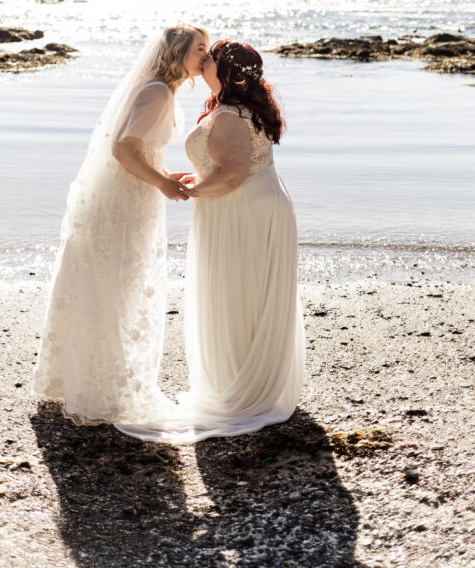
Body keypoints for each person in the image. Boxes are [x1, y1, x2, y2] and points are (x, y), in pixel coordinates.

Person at [118, 39, 305, 442]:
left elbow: (234, 173)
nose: (202, 62)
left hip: (243, 210)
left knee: (238, 292)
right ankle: (242, 376)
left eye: (210, 59)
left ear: (226, 71)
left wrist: (191, 192)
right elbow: (227, 164)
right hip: (249, 204)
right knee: (243, 293)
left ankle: (243, 385)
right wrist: (196, 176)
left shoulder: (229, 116)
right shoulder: (232, 109)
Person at [31, 24, 209, 426]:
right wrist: (162, 182)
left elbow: (142, 148)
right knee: (116, 286)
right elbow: (121, 149)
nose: (207, 56)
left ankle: (89, 380)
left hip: (137, 196)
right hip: (125, 202)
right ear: (179, 52)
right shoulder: (157, 91)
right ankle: (99, 390)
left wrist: (165, 172)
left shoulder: (165, 92)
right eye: (200, 48)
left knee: (118, 285)